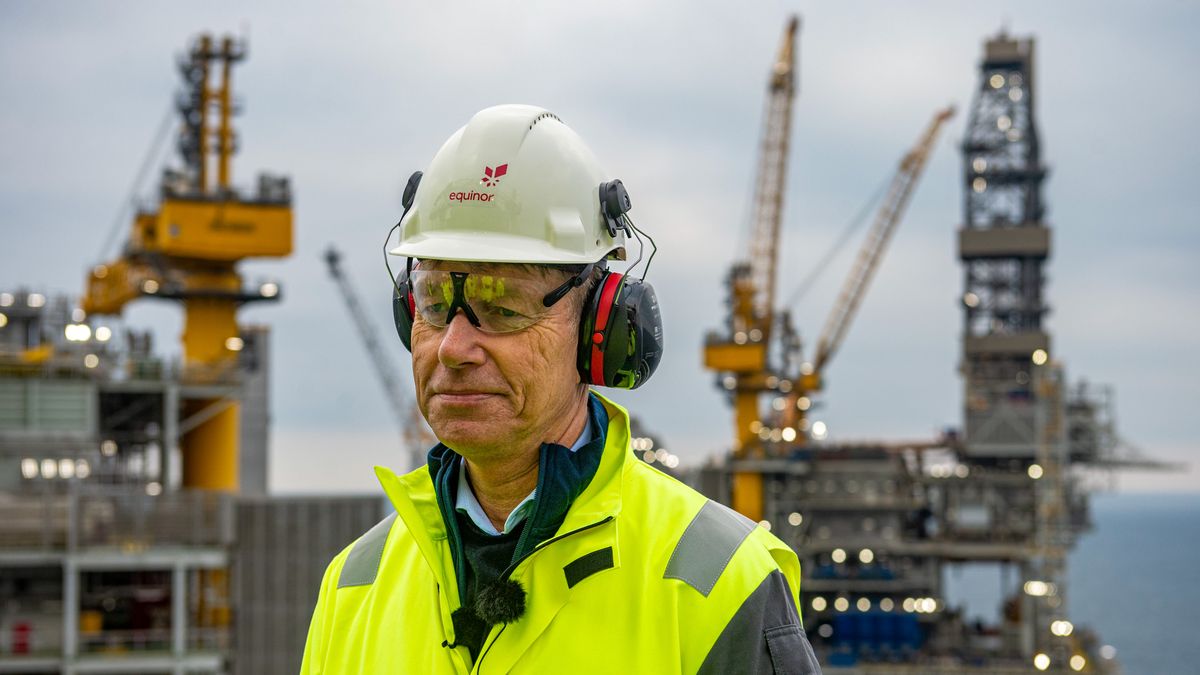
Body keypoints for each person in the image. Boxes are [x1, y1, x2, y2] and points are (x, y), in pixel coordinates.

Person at [301, 104, 821, 674]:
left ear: (601, 329)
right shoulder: (353, 586)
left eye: (502, 306)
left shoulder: (719, 582)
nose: (452, 347)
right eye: (431, 302)